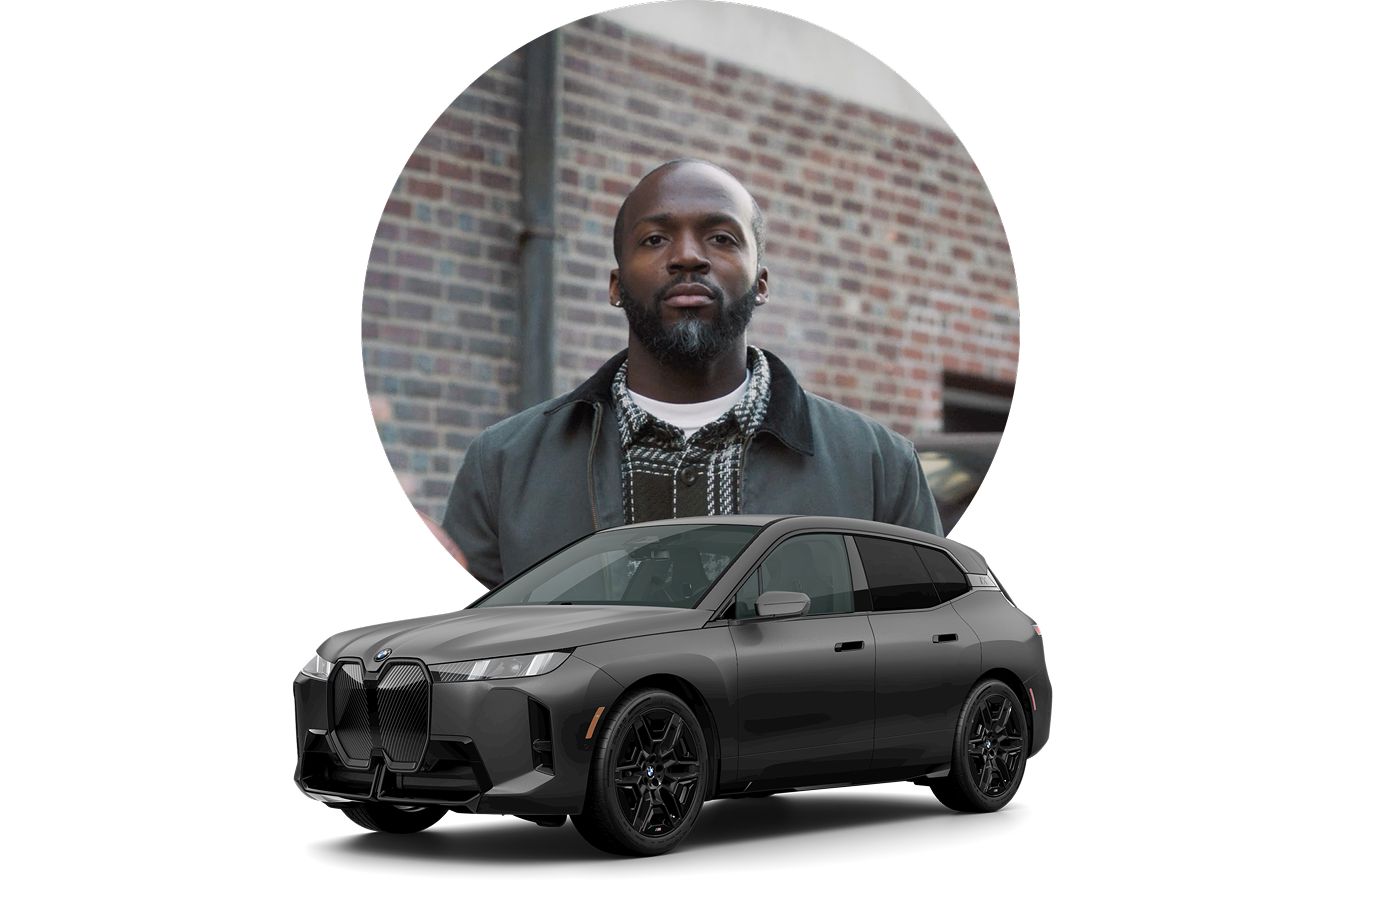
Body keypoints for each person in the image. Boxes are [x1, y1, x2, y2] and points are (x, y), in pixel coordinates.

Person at [443, 158, 940, 589]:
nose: (686, 256)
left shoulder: (880, 469)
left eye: (721, 238)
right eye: (655, 239)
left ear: (761, 283)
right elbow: (464, 648)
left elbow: (927, 643)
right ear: (616, 285)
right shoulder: (503, 466)